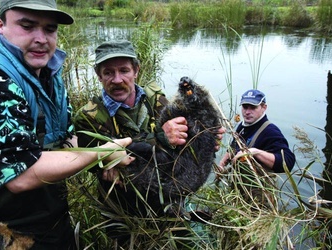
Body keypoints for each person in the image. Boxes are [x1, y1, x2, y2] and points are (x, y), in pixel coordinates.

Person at [0, 1, 133, 250]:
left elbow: (66, 140)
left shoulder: (48, 75)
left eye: (50, 29)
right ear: (0, 26)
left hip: (46, 220)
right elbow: (21, 175)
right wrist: (103, 152)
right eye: (27, 26)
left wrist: (109, 153)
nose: (41, 39)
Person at [73, 40, 225, 244]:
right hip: (121, 211)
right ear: (99, 75)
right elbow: (104, 158)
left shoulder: (155, 98)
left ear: (136, 70)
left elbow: (183, 143)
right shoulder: (88, 117)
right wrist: (161, 138)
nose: (117, 79)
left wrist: (204, 138)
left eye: (124, 70)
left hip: (169, 202)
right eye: (108, 72)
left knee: (186, 243)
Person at [218, 89, 296, 206]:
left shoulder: (270, 131)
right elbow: (235, 146)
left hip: (260, 200)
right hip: (239, 193)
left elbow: (288, 162)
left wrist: (255, 152)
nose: (247, 112)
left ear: (264, 107)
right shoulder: (243, 126)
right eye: (245, 107)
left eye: (253, 107)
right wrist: (224, 161)